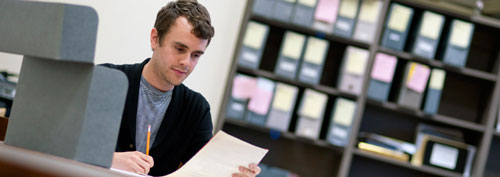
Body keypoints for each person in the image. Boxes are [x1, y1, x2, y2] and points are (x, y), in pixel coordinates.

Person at [101, 0, 261, 176]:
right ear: (155, 39)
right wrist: (109, 159)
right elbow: (66, 143)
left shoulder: (196, 110)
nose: (186, 62)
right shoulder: (103, 79)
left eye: (196, 55)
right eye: (179, 49)